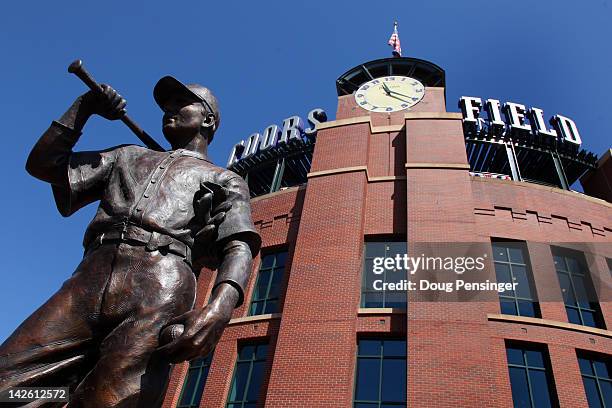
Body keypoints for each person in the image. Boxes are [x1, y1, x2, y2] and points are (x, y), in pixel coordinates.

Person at [0, 76, 260, 407]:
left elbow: (238, 243)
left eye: (182, 103)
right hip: (89, 280)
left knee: (107, 401)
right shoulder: (127, 156)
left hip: (159, 285)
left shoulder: (224, 179)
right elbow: (44, 164)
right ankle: (62, 396)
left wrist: (221, 307)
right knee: (8, 386)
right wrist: (84, 108)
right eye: (167, 105)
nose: (170, 110)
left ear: (208, 119)